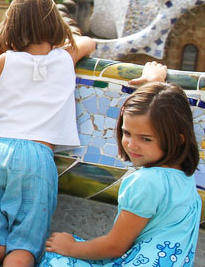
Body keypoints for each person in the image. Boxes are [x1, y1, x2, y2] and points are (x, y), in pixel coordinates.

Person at [0, 0, 97, 267]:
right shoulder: (65, 57)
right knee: (23, 247)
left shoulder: (6, 60)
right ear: (56, 25)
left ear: (11, 26)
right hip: (36, 158)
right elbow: (90, 42)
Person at [40, 78, 200, 267]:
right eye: (127, 133)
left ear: (178, 139)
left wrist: (70, 248)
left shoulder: (146, 182)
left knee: (54, 259)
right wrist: (153, 84)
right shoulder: (185, 177)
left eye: (145, 139)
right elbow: (156, 111)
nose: (132, 145)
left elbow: (115, 247)